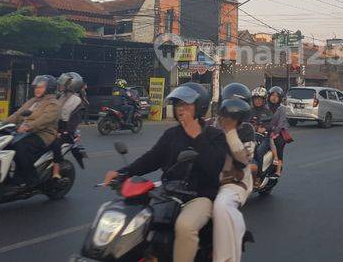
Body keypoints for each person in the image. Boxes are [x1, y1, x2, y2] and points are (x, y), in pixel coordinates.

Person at [103, 82, 228, 262]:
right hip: (168, 192)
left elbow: (214, 167)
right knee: (131, 216)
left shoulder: (214, 135)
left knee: (185, 226)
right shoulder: (172, 135)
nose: (180, 109)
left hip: (199, 196)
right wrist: (122, 172)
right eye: (178, 105)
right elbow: (151, 158)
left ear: (199, 107)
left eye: (186, 105)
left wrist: (197, 137)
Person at [212, 83, 255, 262]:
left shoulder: (246, 130)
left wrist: (230, 131)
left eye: (237, 108)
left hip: (234, 183)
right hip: (209, 178)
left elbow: (243, 159)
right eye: (229, 106)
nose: (232, 111)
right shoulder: (212, 126)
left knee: (222, 205)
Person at [4, 75, 60, 189]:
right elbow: (17, 115)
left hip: (43, 135)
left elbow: (43, 120)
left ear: (49, 88)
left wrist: (28, 127)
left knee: (20, 147)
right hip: (25, 133)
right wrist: (1, 124)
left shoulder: (53, 103)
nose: (37, 89)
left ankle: (32, 179)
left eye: (41, 87)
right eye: (36, 87)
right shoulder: (32, 101)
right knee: (5, 145)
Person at [52, 72, 85, 180]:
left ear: (71, 85)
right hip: (54, 126)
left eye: (63, 83)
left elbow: (74, 121)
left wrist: (63, 131)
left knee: (55, 144)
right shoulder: (60, 96)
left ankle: (56, 171)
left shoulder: (77, 100)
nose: (60, 85)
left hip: (66, 131)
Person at [266, 86, 291, 176]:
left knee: (279, 144)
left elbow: (281, 123)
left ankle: (278, 169)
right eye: (272, 95)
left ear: (280, 98)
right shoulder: (266, 107)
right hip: (266, 131)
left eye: (277, 96)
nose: (274, 98)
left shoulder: (281, 109)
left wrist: (274, 131)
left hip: (278, 132)